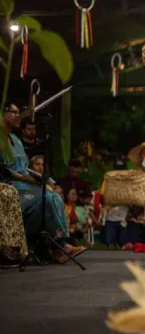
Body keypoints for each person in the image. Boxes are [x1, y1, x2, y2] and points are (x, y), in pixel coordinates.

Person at [2, 104, 85, 263]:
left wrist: (40, 178)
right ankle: (59, 247)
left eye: (19, 112)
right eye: (14, 112)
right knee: (46, 199)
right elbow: (4, 170)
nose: (18, 116)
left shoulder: (15, 140)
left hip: (26, 183)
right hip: (9, 186)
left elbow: (25, 167)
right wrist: (27, 179)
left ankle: (59, 245)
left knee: (54, 196)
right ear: (3, 115)